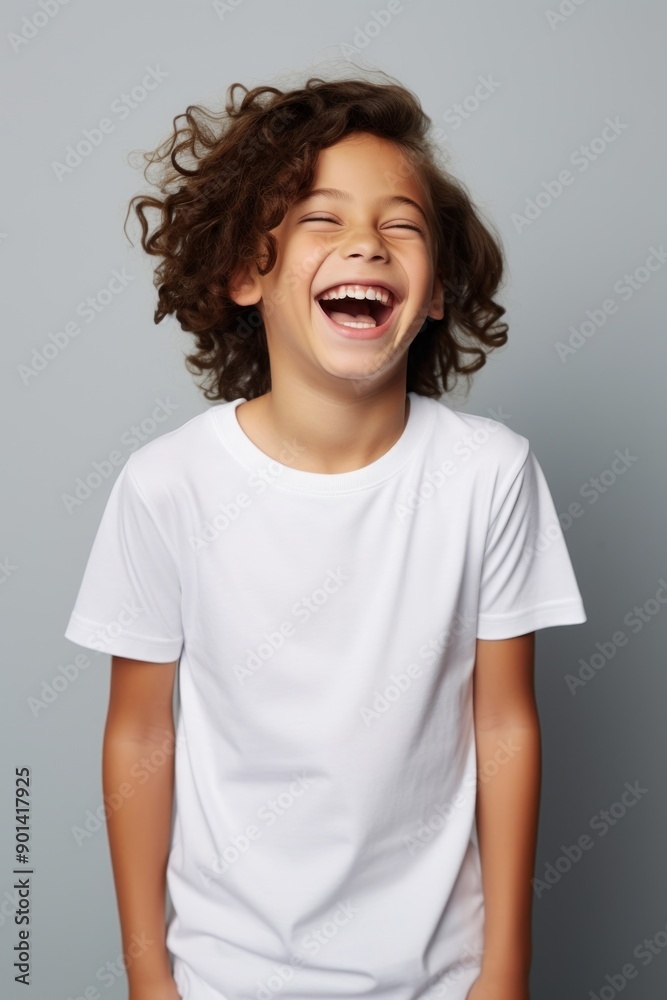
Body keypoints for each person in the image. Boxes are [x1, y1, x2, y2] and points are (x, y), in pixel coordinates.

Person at [64, 69, 587, 1000]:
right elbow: (138, 734)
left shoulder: (489, 476)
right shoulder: (167, 487)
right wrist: (149, 978)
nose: (367, 245)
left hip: (440, 978)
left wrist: (506, 966)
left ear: (432, 296)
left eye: (401, 225)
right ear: (244, 273)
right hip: (224, 977)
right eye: (320, 219)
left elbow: (504, 720)